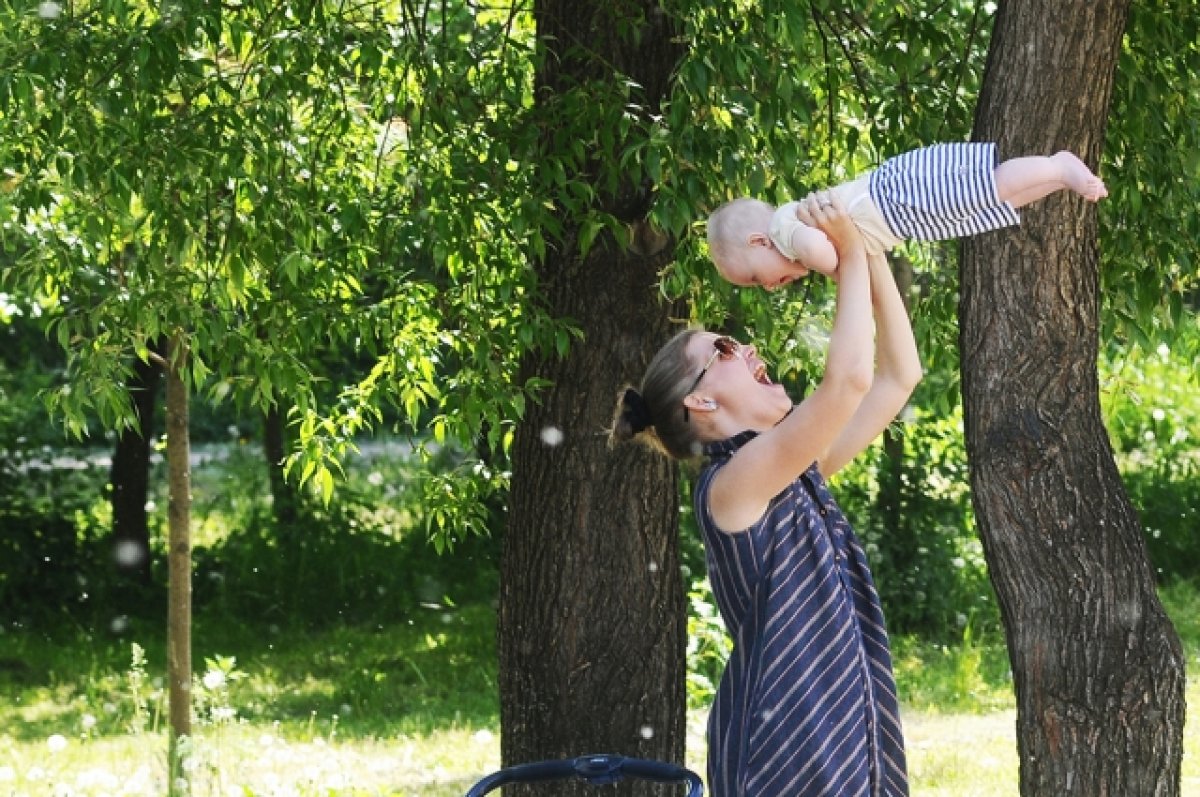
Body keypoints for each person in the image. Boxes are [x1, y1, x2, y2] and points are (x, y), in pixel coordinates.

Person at [612, 193, 922, 796]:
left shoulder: (796, 469)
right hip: (786, 753)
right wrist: (848, 251)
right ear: (699, 400)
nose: (748, 348)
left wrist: (868, 238)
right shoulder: (731, 487)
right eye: (724, 350)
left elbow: (895, 376)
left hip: (843, 737)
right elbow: (849, 380)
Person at [706, 143, 1107, 290]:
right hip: (904, 217)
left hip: (897, 195)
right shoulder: (786, 234)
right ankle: (1056, 178)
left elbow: (822, 251)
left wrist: (832, 269)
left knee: (989, 186)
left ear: (759, 242)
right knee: (991, 203)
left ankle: (1057, 166)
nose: (769, 287)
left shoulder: (784, 228)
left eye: (757, 278)